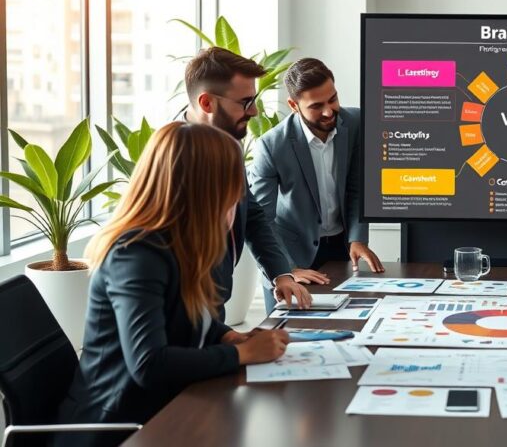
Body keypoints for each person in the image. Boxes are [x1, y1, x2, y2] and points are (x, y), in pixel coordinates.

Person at [57, 123, 289, 447]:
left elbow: (181, 317)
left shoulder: (180, 244)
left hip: (160, 411)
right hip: (117, 430)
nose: (237, 202)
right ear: (202, 192)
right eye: (231, 190)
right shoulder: (135, 254)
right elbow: (149, 364)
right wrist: (241, 354)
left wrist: (226, 335)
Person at [181, 47, 312, 311]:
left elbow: (251, 213)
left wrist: (281, 274)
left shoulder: (229, 142)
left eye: (254, 100)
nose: (254, 112)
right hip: (183, 305)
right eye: (245, 102)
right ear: (207, 103)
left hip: (213, 305)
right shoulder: (171, 157)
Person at [249, 58, 384, 313]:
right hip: (291, 254)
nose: (329, 112)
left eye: (332, 99)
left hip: (342, 249)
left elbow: (357, 188)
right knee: (288, 332)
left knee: (350, 324)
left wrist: (357, 238)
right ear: (293, 105)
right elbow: (261, 219)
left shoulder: (356, 124)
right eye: (316, 106)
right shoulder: (271, 145)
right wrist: (286, 269)